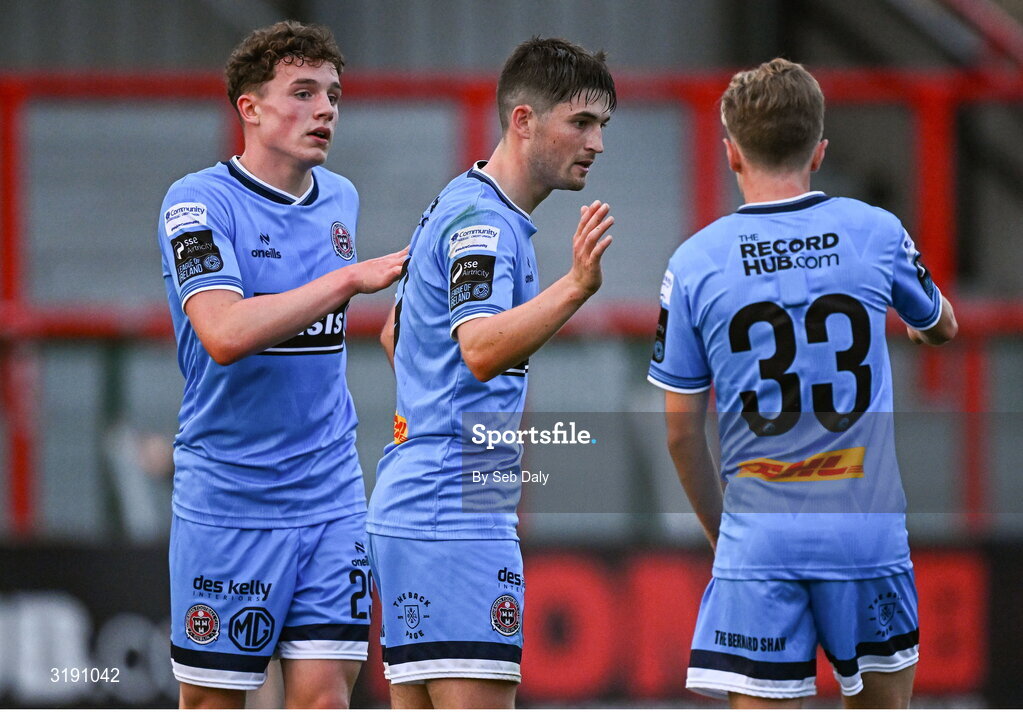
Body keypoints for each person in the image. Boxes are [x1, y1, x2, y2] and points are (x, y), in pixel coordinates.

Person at [648, 58, 957, 708]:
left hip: (760, 540)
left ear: (730, 154)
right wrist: (922, 329)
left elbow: (679, 433)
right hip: (864, 534)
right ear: (818, 150)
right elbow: (941, 324)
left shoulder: (694, 263)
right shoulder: (875, 230)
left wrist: (722, 533)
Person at [156, 20, 406, 709]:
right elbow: (224, 332)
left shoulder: (340, 199)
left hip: (329, 493)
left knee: (325, 695)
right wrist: (346, 282)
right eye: (302, 92)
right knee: (213, 700)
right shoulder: (197, 203)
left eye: (332, 93)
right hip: (230, 498)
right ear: (250, 108)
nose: (325, 108)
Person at [366, 37, 616, 709]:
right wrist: (575, 288)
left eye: (602, 126)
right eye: (580, 122)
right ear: (523, 120)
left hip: (413, 502)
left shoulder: (455, 201)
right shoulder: (486, 223)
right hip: (455, 512)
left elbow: (395, 333)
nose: (596, 143)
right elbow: (476, 349)